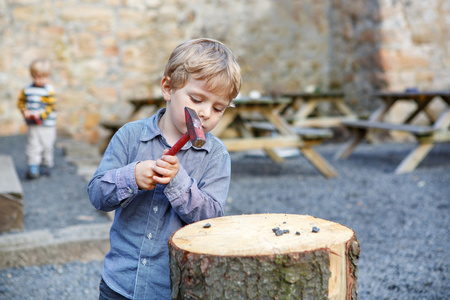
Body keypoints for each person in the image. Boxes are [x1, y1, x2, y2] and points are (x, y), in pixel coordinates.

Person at [88, 38, 242, 300]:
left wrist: (178, 183)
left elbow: (212, 221)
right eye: (197, 99)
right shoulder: (130, 136)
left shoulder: (215, 156)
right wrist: (131, 176)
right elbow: (97, 194)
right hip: (120, 283)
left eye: (218, 108)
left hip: (173, 288)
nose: (205, 113)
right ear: (168, 88)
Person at [17, 58, 57, 179]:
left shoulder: (48, 90)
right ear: (32, 75)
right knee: (33, 145)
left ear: (48, 76)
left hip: (47, 125)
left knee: (47, 145)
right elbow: (21, 103)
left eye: (43, 77)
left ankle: (46, 165)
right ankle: (33, 167)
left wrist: (41, 115)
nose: (40, 80)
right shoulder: (27, 89)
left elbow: (50, 107)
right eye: (37, 77)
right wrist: (25, 111)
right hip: (33, 124)